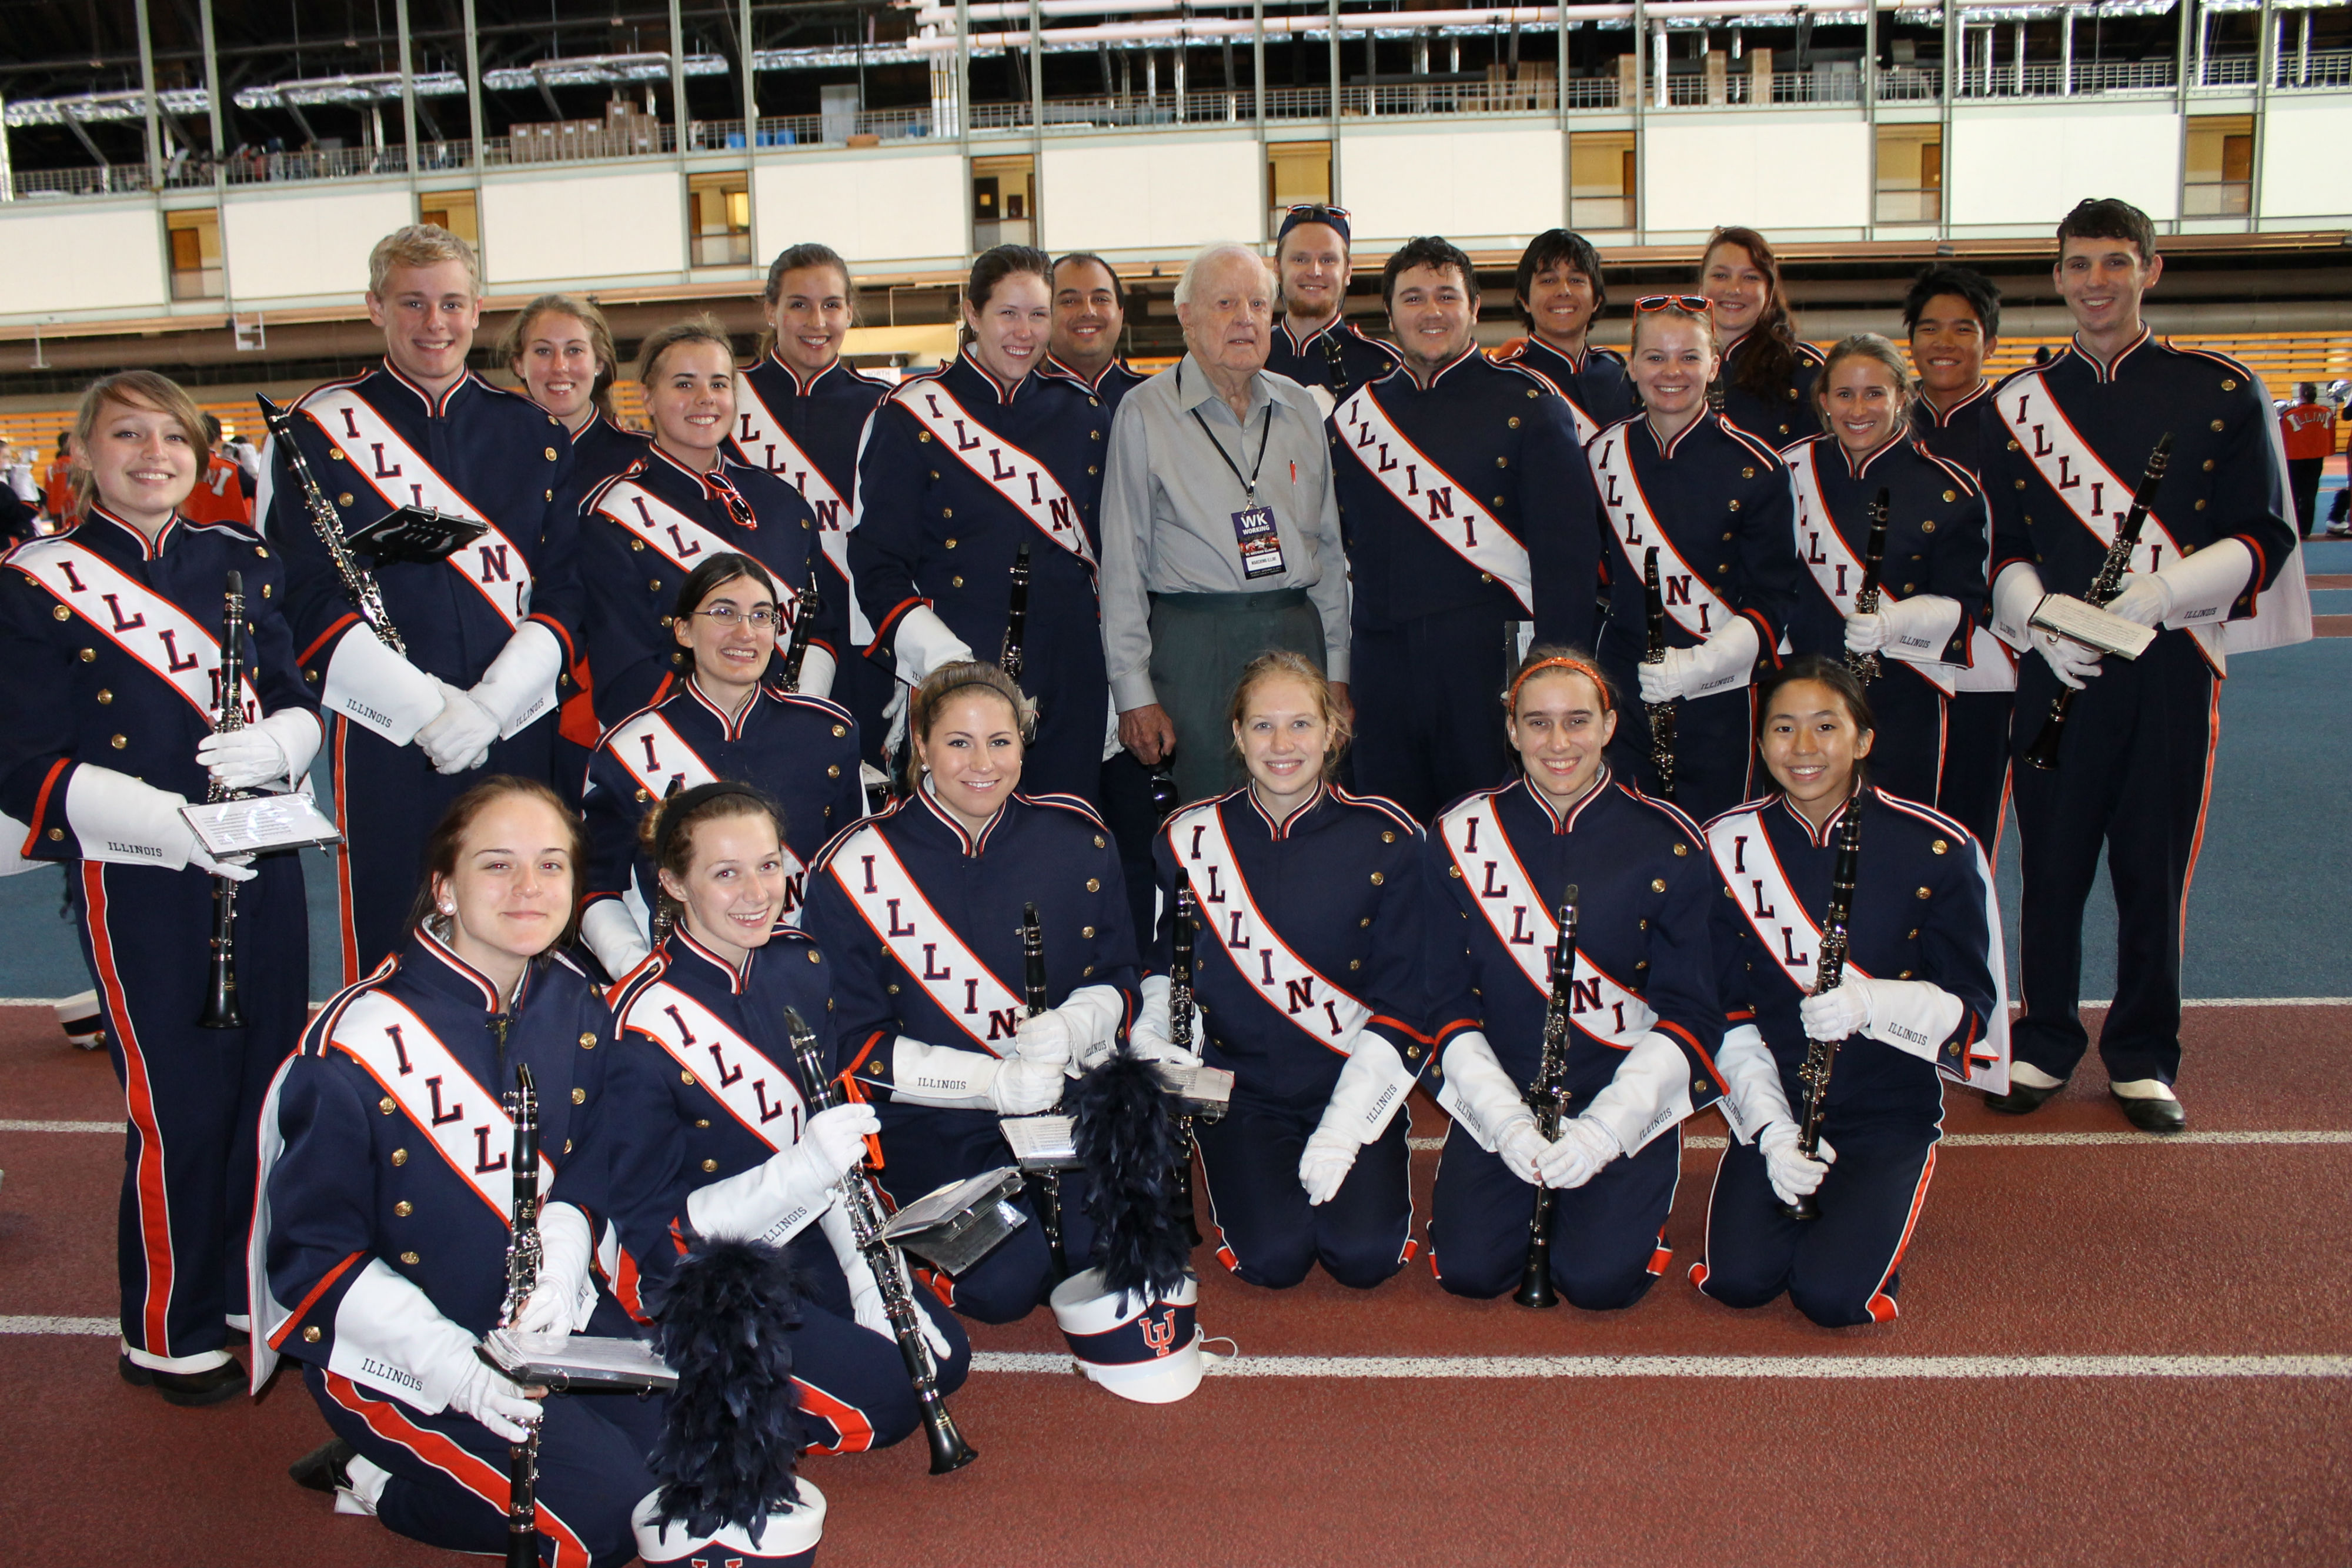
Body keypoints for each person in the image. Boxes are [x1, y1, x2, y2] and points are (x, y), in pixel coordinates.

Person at [0, 370, 318, 1406]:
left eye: (171, 438)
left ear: (200, 454)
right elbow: (22, 757)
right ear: (84, 453)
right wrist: (168, 826)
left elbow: (294, 692)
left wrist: (278, 738)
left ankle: (238, 1288)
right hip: (139, 869)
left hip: (257, 853)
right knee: (177, 1097)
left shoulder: (239, 559)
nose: (152, 455)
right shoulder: (36, 577)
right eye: (126, 435)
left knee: (265, 1080)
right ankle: (164, 1325)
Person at [253, 778, 661, 1562]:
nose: (528, 889)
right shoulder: (356, 1040)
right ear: (444, 885)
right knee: (604, 1526)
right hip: (400, 1351)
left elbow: (598, 1154)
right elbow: (310, 1261)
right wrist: (454, 1368)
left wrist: (567, 1248)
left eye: (550, 865)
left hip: (541, 1325)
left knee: (699, 1459)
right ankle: (374, 1476)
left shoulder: (574, 1003)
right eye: (497, 865)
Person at [1984, 198, 2303, 1133]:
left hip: (2170, 668)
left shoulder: (2220, 388)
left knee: (2153, 866)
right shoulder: (2019, 403)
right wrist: (2036, 618)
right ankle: (2043, 1039)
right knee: (2048, 864)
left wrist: (2163, 596)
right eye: (2079, 264)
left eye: (2115, 262)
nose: (2096, 282)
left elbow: (2266, 533)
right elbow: (1998, 541)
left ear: (2150, 271)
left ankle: (2143, 1053)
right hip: (2057, 674)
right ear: (2057, 276)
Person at [605, 781, 973, 1452]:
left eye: (768, 866)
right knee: (889, 1404)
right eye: (725, 874)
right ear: (674, 884)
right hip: (700, 1272)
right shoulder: (635, 1022)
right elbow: (658, 1237)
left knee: (945, 1361)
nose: (756, 892)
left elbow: (828, 1137)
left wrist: (868, 1275)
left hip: (797, 1229)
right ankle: (670, 1396)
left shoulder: (799, 966)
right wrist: (802, 1170)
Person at [262, 223, 580, 984]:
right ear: (376, 306)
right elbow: (304, 594)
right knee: (393, 925)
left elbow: (566, 587)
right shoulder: (316, 429)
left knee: (523, 916)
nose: (434, 323)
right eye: (412, 302)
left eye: (451, 303)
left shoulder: (533, 431)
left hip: (515, 723)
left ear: (479, 310)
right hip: (386, 733)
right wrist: (425, 709)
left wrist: (491, 708)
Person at [803, 661, 1138, 1323]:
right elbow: (854, 1046)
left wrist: (1075, 1025)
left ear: (1024, 744)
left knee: (1100, 1252)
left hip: (1059, 1108)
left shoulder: (1078, 838)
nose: (981, 763)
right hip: (932, 1123)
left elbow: (1120, 979)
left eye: (1000, 742)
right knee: (1005, 1288)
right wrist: (993, 1085)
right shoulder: (854, 864)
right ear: (921, 746)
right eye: (958, 742)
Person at [1691, 657, 2006, 1326]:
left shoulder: (1937, 849)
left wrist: (1876, 1004)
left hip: (1885, 1112)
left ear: (1863, 739)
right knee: (1738, 1282)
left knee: (1832, 1299)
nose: (1802, 750)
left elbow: (1973, 1013)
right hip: (1775, 1102)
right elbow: (1721, 1010)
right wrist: (1771, 1130)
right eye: (1782, 728)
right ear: (1761, 741)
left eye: (1825, 727)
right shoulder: (1725, 845)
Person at [1422, 648, 1724, 1305]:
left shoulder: (1669, 839)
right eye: (1537, 723)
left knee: (1598, 1285)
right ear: (1511, 731)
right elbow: (1440, 998)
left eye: (1577, 721)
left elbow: (1692, 1013)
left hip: (1616, 1090)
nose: (1558, 744)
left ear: (1610, 726)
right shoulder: (1458, 833)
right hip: (1502, 1090)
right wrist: (1503, 1120)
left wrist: (1606, 1129)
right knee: (1468, 1274)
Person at [1138, 652, 1431, 1289]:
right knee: (1274, 1262)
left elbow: (1409, 997)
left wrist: (1349, 1125)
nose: (1281, 745)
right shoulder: (1186, 836)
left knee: (1363, 1258)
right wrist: (1152, 1032)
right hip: (1239, 1091)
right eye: (1262, 726)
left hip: (1348, 1078)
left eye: (1300, 725)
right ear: (1237, 734)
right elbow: (1166, 960)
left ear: (1333, 732)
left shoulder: (1389, 838)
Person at [1333, 234, 1600, 823]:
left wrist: (1558, 676)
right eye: (1413, 298)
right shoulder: (1355, 418)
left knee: (1495, 829)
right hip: (1384, 665)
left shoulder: (1530, 404)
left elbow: (1568, 563)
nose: (1431, 312)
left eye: (1446, 296)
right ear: (1390, 314)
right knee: (1389, 831)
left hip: (1490, 661)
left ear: (1475, 309)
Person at [850, 246, 1113, 803]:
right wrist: (942, 660)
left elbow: (1108, 560)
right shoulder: (912, 414)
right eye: (1008, 314)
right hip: (961, 662)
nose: (1025, 332)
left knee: (1064, 838)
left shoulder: (1084, 414)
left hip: (1072, 670)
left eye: (1038, 315)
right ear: (972, 313)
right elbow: (877, 567)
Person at [1101, 242, 1353, 811]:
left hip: (1297, 635)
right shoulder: (1144, 412)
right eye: (1225, 303)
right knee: (1207, 820)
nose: (1245, 318)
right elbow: (1122, 564)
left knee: (1307, 811)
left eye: (1259, 305)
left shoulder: (1300, 409)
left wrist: (1337, 671)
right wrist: (1133, 693)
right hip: (1194, 645)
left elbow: (1330, 552)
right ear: (1186, 315)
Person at [579, 553, 863, 978]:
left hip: (807, 972)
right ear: (684, 630)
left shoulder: (829, 732)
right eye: (724, 612)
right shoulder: (626, 748)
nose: (745, 633)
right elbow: (595, 887)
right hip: (682, 982)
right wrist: (639, 971)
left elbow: (851, 870)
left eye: (762, 616)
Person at [1589, 296, 1803, 824]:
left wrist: (1701, 666)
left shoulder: (1759, 467)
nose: (1671, 372)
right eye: (1656, 357)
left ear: (1713, 365)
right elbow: (1591, 570)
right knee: (1626, 837)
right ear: (1632, 365)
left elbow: (1775, 600)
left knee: (1718, 842)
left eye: (1689, 356)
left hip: (1721, 692)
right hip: (1623, 684)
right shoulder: (1600, 454)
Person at [578, 315, 843, 738]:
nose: (706, 399)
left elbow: (820, 625)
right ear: (647, 398)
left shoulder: (781, 501)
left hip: (787, 734)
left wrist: (799, 708)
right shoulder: (611, 517)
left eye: (719, 384)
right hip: (681, 742)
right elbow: (625, 667)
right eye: (684, 384)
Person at [1782, 333, 1986, 807]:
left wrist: (1896, 622)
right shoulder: (1788, 472)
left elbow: (1964, 605)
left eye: (1875, 393)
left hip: (1901, 698)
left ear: (1902, 396)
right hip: (1800, 697)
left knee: (1896, 842)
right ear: (1824, 400)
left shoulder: (1948, 489)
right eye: (1845, 394)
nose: (1859, 410)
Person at [729, 242, 897, 780]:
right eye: (799, 305)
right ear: (770, 309)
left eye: (832, 305)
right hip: (751, 634)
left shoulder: (885, 407)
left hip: (862, 642)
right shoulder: (729, 400)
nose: (817, 321)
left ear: (850, 312)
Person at [499, 292, 649, 803]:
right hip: (510, 678)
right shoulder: (485, 461)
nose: (559, 367)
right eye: (542, 351)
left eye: (574, 350)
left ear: (601, 361)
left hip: (613, 683)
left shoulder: (641, 462)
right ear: (518, 363)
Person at [1903, 265, 2017, 854]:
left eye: (1962, 329)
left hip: (1987, 660)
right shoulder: (1879, 426)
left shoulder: (2017, 430)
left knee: (1968, 828)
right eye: (1929, 329)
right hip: (1894, 664)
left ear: (1989, 343)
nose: (1943, 343)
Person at [1493, 228, 1638, 441]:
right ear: (1524, 300)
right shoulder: (1503, 383)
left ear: (1596, 300)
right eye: (1548, 281)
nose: (1564, 291)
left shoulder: (1623, 376)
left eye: (1577, 280)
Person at [1264, 205, 1399, 414]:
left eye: (1328, 260)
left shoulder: (1386, 369)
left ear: (1347, 271)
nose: (1315, 271)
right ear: (1277, 267)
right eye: (1300, 259)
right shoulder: (1249, 356)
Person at [1700, 226, 1824, 447]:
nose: (1734, 289)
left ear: (1769, 293)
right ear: (1701, 287)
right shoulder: (1672, 368)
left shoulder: (1805, 372)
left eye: (1750, 277)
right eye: (1720, 275)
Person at [1043, 252, 1150, 412]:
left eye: (1100, 299)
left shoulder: (1155, 399)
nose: (1088, 311)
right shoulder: (1017, 402)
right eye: (1070, 301)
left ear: (1121, 314)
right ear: (1044, 315)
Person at [2280, 382, 2335, 540]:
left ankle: (2293, 527)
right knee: (2310, 493)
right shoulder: (2327, 412)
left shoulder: (2289, 414)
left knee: (2294, 494)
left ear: (2302, 394)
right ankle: (2305, 529)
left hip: (2295, 457)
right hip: (2316, 457)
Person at [183, 413, 254, 527]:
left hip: (187, 535)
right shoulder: (233, 468)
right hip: (229, 537)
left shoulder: (178, 467)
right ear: (219, 438)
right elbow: (258, 491)